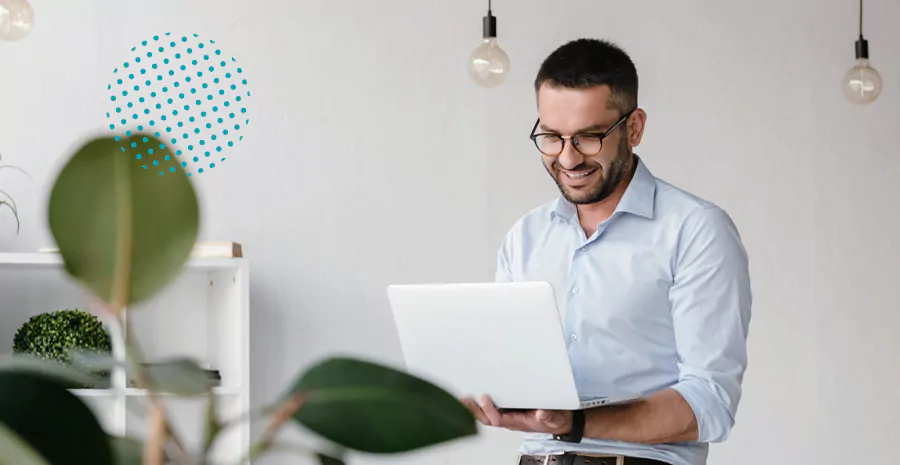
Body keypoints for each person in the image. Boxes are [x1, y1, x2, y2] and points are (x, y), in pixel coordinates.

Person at [461, 38, 752, 465]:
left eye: (589, 137)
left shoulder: (696, 230)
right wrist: (491, 394)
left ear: (634, 128)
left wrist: (573, 423)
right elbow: (514, 371)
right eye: (551, 137)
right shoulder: (526, 236)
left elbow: (709, 403)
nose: (567, 157)